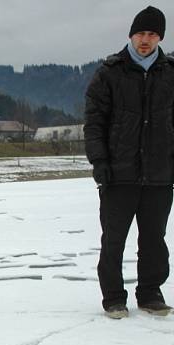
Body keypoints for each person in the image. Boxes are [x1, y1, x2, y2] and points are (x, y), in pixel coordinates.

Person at [84, 5, 174, 319]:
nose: (145, 39)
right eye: (140, 33)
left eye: (152, 34)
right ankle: (113, 298)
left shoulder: (170, 72)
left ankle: (150, 293)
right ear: (131, 35)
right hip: (117, 175)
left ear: (160, 37)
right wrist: (100, 162)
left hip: (160, 175)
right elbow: (94, 123)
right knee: (113, 240)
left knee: (154, 239)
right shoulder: (110, 72)